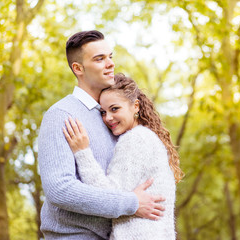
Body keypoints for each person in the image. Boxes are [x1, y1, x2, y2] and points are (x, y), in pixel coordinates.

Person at [38, 30, 166, 240]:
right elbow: (60, 189)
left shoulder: (114, 118)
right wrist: (131, 203)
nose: (110, 64)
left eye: (110, 57)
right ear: (78, 68)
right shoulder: (62, 115)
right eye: (99, 59)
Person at [63, 73, 184, 239]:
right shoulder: (148, 137)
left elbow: (107, 195)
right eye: (103, 112)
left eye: (115, 109)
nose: (108, 118)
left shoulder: (135, 139)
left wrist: (82, 152)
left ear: (135, 106)